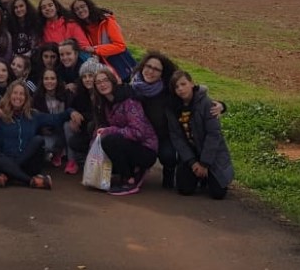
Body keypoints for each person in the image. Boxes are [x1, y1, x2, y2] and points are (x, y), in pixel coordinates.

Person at [0, 79, 78, 188]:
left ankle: (8, 175)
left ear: (26, 98)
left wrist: (71, 112)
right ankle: (31, 181)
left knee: (38, 140)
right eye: (15, 93)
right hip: (6, 160)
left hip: (28, 163)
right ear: (9, 95)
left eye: (22, 94)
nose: (18, 97)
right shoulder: (0, 114)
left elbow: (57, 118)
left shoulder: (33, 116)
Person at [167, 70, 235, 199]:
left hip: (211, 153)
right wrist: (193, 162)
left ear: (192, 84)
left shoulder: (207, 103)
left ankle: (209, 176)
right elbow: (177, 138)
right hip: (191, 154)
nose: (180, 89)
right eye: (176, 87)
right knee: (184, 189)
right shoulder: (173, 108)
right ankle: (197, 176)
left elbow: (214, 135)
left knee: (218, 194)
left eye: (183, 84)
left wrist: (204, 163)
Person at [91, 67, 158, 196]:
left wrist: (110, 130)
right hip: (127, 144)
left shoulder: (129, 101)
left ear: (112, 81)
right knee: (101, 140)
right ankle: (129, 170)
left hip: (146, 148)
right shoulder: (104, 104)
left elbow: (138, 132)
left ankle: (129, 179)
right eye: (98, 82)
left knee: (110, 140)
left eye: (105, 80)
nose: (102, 84)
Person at [129, 51, 180, 189]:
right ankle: (132, 171)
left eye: (156, 69)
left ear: (162, 73)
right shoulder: (131, 86)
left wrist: (220, 105)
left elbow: (193, 93)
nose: (150, 71)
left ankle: (169, 173)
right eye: (148, 66)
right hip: (140, 136)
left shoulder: (169, 91)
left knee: (168, 156)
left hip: (162, 135)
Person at [71, 0, 135, 80]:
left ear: (89, 6)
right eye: (76, 9)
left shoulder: (107, 21)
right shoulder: (83, 28)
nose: (80, 10)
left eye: (82, 6)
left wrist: (95, 49)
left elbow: (120, 46)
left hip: (121, 64)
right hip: (105, 67)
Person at [63, 60, 105, 175]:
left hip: (102, 130)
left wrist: (82, 116)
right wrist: (73, 113)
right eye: (84, 76)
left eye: (91, 76)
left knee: (93, 125)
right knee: (67, 126)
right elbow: (69, 107)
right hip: (85, 130)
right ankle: (72, 161)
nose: (87, 79)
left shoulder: (104, 92)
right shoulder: (81, 93)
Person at [32, 68, 71, 166]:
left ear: (57, 80)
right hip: (49, 131)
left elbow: (70, 112)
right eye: (46, 78)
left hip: (64, 130)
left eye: (52, 78)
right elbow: (36, 118)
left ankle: (71, 159)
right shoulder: (37, 97)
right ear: (42, 80)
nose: (49, 81)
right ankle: (56, 152)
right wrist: (41, 129)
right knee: (46, 146)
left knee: (67, 126)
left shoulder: (66, 94)